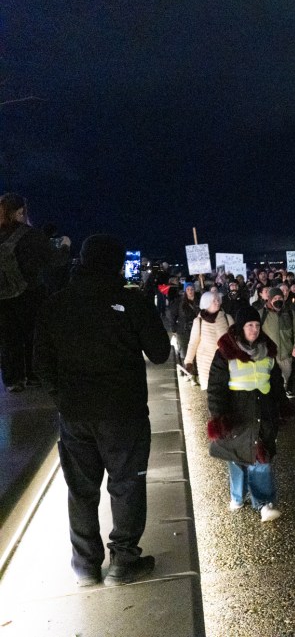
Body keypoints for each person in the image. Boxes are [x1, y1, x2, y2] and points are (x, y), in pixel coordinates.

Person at [35, 234, 170, 586]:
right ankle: (123, 560)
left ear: (81, 260)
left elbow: (41, 362)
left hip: (76, 413)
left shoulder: (56, 304)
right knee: (126, 484)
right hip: (124, 412)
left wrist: (62, 399)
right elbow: (159, 352)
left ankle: (85, 565)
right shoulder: (132, 301)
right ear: (117, 264)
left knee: (80, 489)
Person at [206, 305, 290, 522]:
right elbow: (216, 387)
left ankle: (263, 502)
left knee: (261, 457)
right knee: (236, 458)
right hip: (238, 413)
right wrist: (219, 416)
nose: (254, 329)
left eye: (256, 325)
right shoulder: (225, 353)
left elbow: (276, 382)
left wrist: (282, 405)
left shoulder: (267, 352)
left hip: (263, 411)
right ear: (240, 328)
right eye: (249, 325)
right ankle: (237, 495)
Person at [0, 193, 71, 392]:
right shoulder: (29, 235)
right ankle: (34, 375)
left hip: (2, 297)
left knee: (8, 337)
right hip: (30, 293)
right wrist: (65, 246)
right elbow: (55, 260)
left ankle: (13, 380)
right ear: (21, 212)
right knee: (34, 335)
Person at [256, 287, 295, 399]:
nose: (278, 300)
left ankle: (282, 404)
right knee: (269, 385)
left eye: (280, 298)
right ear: (269, 300)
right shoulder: (261, 314)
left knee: (284, 382)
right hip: (268, 357)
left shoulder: (290, 313)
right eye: (275, 298)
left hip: (286, 356)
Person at [183, 291, 234, 391]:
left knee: (227, 390)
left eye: (217, 300)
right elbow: (193, 343)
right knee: (211, 391)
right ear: (206, 303)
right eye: (213, 301)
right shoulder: (199, 321)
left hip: (226, 360)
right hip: (206, 362)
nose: (217, 302)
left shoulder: (227, 318)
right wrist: (188, 362)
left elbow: (235, 340)